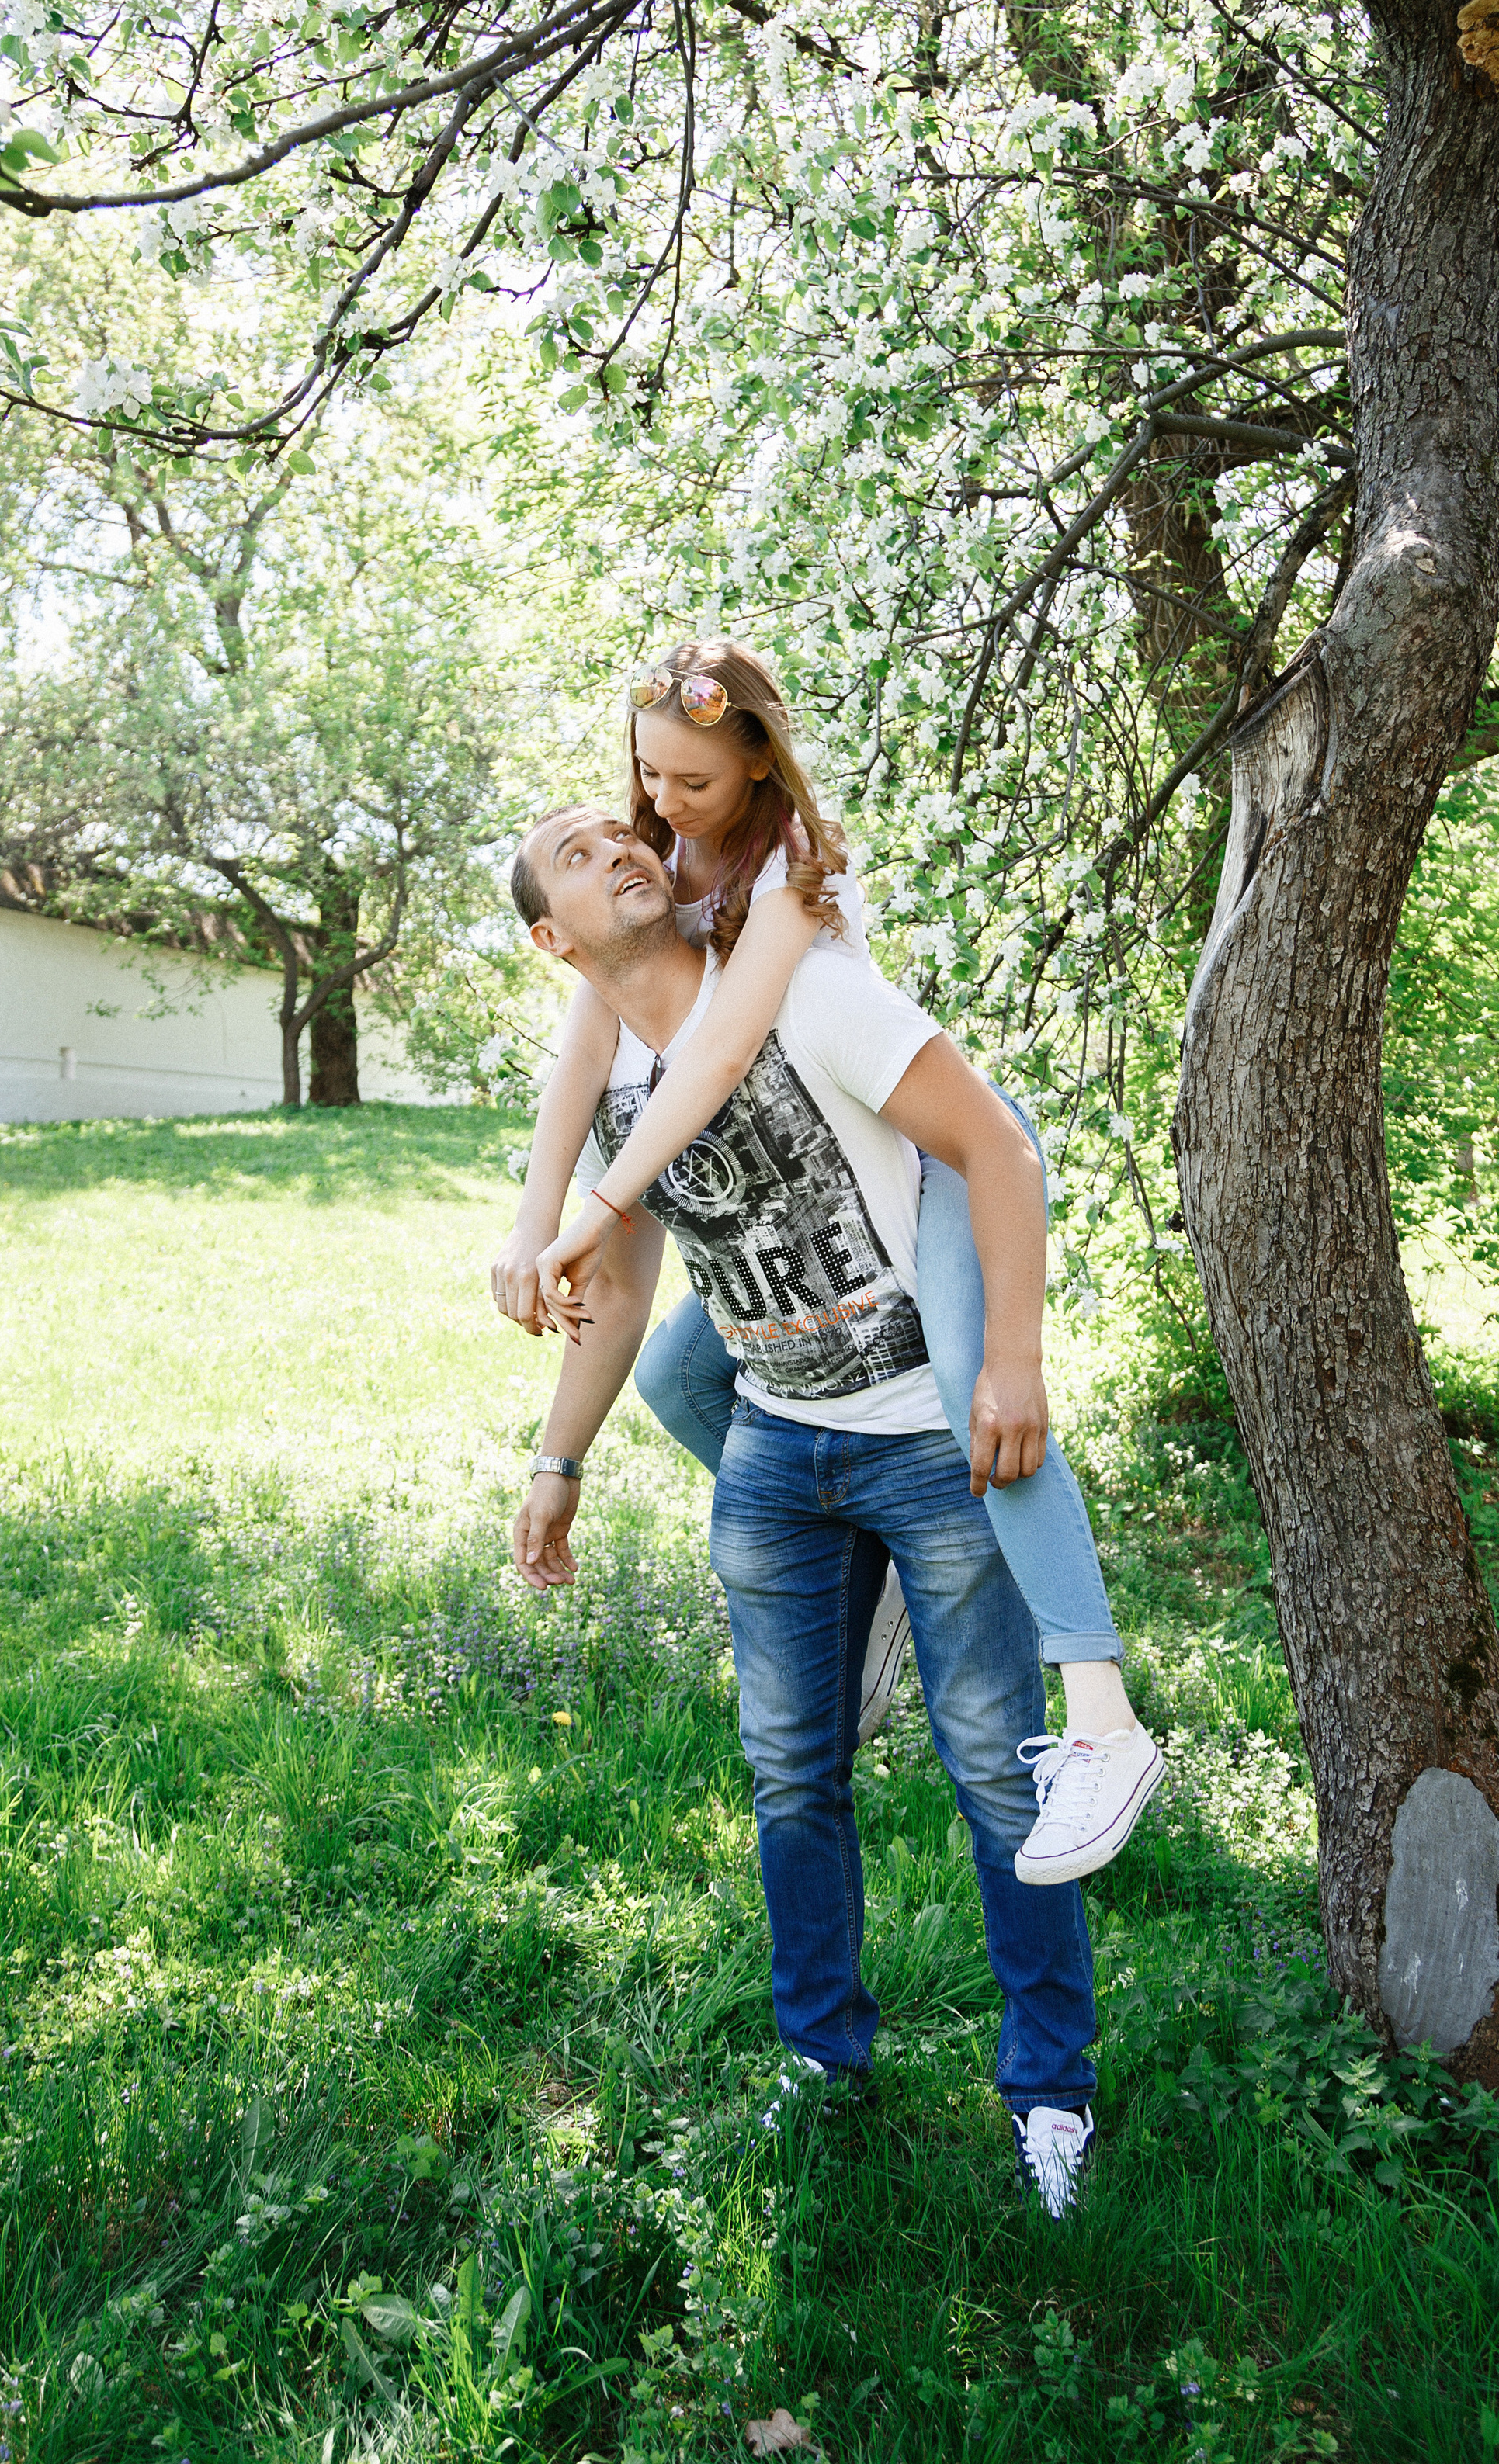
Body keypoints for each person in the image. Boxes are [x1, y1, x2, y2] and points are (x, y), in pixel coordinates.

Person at [502, 799, 1111, 2209]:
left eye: (626, 832)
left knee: (995, 1766)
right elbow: (628, 1290)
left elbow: (993, 1147)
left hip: (929, 1448)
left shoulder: (803, 991)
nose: (625, 852)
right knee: (793, 1775)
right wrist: (557, 1463)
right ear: (555, 937)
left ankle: (1051, 2095)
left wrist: (1007, 1367)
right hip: (779, 1455)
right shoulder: (604, 1068)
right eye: (583, 859)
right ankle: (826, 2060)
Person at [490, 639, 1161, 1883]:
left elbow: (721, 1047)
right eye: (648, 776)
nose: (662, 807)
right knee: (692, 1381)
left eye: (692, 783)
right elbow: (585, 1051)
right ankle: (876, 1585)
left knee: (979, 1387)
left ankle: (1101, 1717)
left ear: (755, 766)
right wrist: (536, 1224)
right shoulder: (658, 863)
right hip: (848, 1168)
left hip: (947, 1153)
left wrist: (606, 1202)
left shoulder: (793, 878)